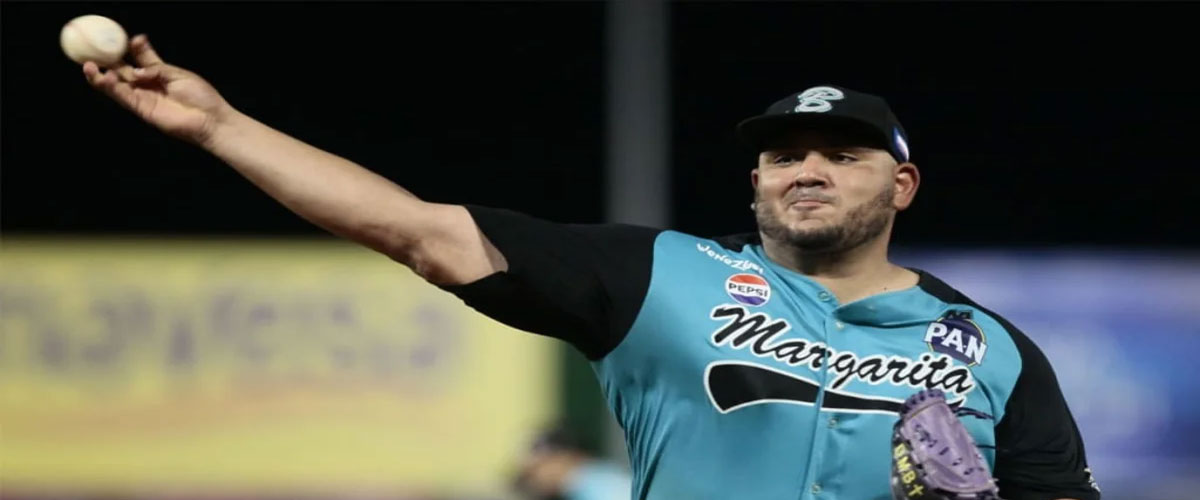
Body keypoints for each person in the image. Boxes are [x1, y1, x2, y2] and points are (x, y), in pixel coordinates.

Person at [81, 34, 1101, 500]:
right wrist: (219, 127)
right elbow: (413, 229)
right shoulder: (659, 275)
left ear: (902, 185)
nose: (808, 170)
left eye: (843, 154)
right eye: (785, 154)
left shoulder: (990, 351)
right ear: (755, 178)